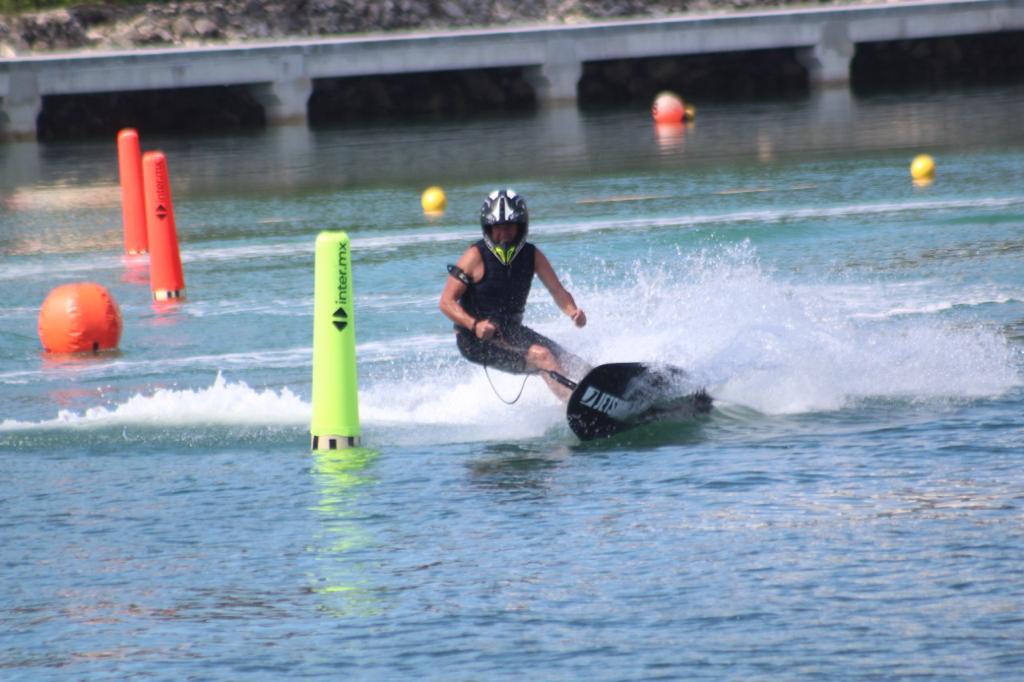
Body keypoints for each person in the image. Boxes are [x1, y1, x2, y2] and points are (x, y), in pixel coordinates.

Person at [440, 188, 589, 401]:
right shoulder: (474, 256)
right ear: (488, 228)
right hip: (475, 341)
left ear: (521, 227)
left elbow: (557, 289)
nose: (503, 234)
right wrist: (475, 325)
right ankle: (577, 406)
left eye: (509, 226)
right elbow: (446, 302)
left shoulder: (532, 255)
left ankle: (615, 390)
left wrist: (573, 312)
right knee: (543, 357)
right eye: (497, 227)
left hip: (512, 332)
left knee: (572, 362)